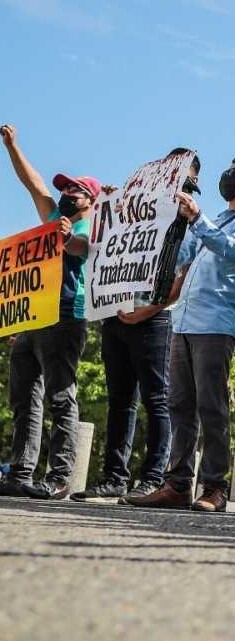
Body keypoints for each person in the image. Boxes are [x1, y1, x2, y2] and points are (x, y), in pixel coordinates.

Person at [128, 157, 235, 512]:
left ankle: (215, 488)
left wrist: (197, 219)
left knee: (211, 406)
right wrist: (155, 217)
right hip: (184, 322)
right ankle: (177, 483)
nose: (231, 174)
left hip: (215, 323)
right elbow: (179, 254)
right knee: (179, 405)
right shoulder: (216, 221)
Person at [73, 150, 202, 504]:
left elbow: (183, 275)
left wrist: (150, 310)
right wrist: (111, 209)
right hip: (116, 316)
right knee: (119, 400)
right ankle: (114, 477)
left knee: (157, 399)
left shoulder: (188, 221)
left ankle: (152, 477)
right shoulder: (131, 213)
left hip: (154, 319)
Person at [0, 124, 97, 501]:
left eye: (75, 189)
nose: (66, 192)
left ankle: (59, 477)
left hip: (66, 316)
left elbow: (79, 248)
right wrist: (12, 146)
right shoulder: (53, 215)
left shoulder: (93, 225)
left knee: (60, 396)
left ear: (89, 198)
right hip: (34, 317)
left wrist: (65, 235)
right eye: (65, 188)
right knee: (24, 396)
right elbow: (34, 184)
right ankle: (21, 472)